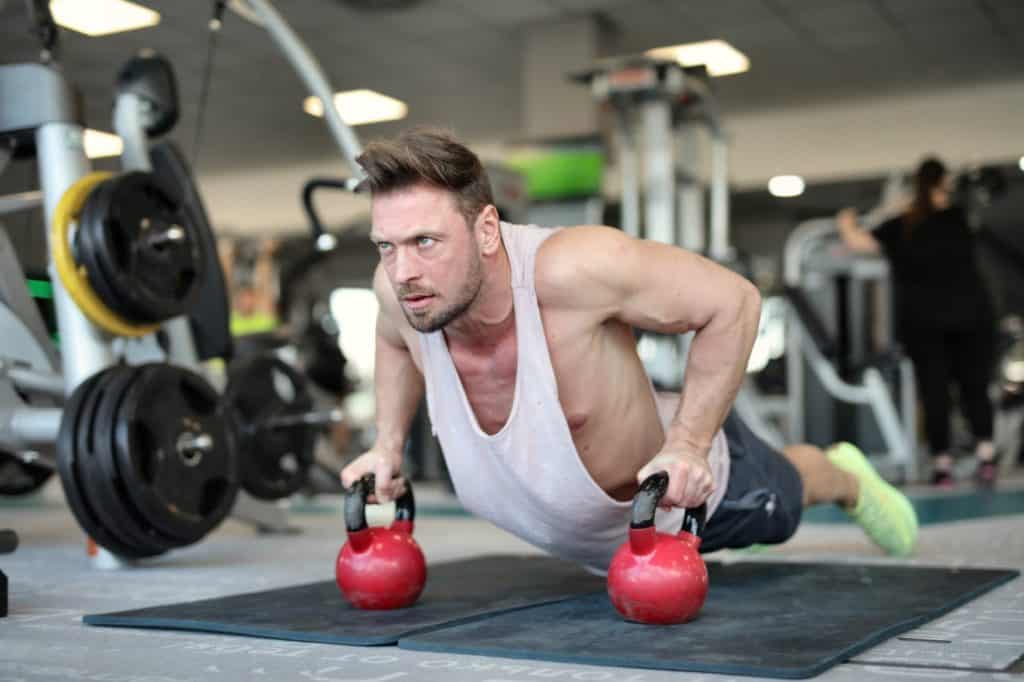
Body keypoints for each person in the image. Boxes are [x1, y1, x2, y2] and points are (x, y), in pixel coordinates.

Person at [341, 127, 918, 573]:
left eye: (425, 242)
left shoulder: (574, 270)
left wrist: (689, 447)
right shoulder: (399, 292)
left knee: (785, 498)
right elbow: (393, 339)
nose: (404, 270)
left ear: (487, 230)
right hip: (593, 543)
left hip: (678, 500)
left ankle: (846, 475)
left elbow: (734, 302)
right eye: (386, 246)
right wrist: (387, 445)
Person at [838, 158, 998, 487]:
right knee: (974, 387)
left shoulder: (902, 223)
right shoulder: (960, 218)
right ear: (944, 184)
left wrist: (846, 221)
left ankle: (943, 466)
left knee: (935, 392)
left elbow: (857, 242)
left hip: (925, 322)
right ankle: (986, 458)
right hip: (970, 317)